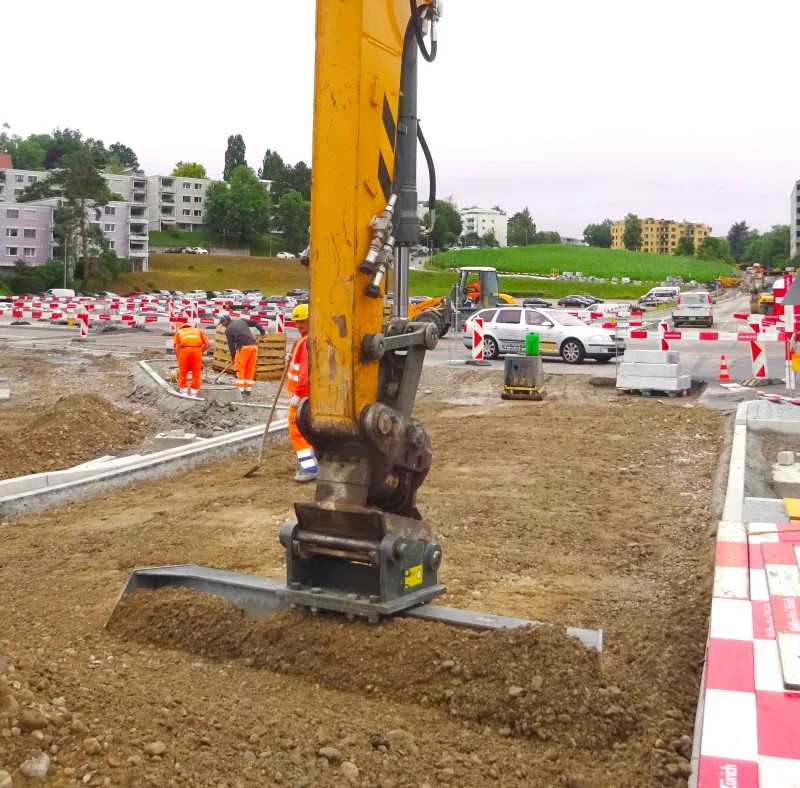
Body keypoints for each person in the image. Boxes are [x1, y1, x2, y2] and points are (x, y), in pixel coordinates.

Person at [286, 304, 318, 482]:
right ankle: (315, 463)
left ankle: (310, 468)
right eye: (297, 322)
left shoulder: (307, 342)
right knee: (310, 430)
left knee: (297, 432)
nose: (299, 325)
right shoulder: (305, 340)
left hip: (302, 396)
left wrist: (298, 395)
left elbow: (305, 373)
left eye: (302, 322)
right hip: (307, 395)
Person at [218, 313, 265, 397]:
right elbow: (255, 322)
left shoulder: (228, 329)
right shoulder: (242, 321)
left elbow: (231, 346)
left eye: (222, 323)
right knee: (249, 369)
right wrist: (262, 331)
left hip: (244, 348)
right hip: (254, 347)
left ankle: (240, 391)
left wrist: (233, 358)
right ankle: (247, 391)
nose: (222, 325)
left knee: (239, 369)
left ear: (225, 321)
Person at [173, 320, 210, 397]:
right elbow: (208, 344)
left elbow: (177, 348)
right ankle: (194, 391)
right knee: (196, 371)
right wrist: (200, 352)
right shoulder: (198, 331)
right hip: (197, 350)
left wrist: (179, 359)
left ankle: (183, 389)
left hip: (185, 350)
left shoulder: (179, 332)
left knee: (183, 370)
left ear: (182, 328)